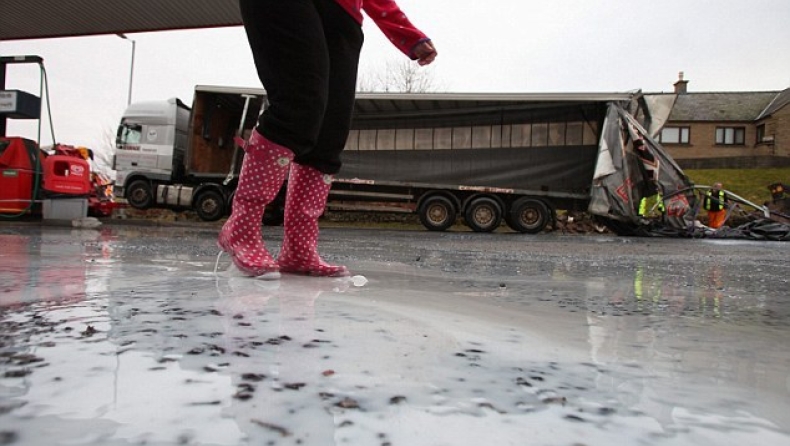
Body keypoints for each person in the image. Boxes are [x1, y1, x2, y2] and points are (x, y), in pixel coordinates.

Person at [218, 0, 437, 279]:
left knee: (330, 133)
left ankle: (299, 249)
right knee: (298, 105)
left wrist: (407, 34)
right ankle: (241, 229)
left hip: (343, 13)